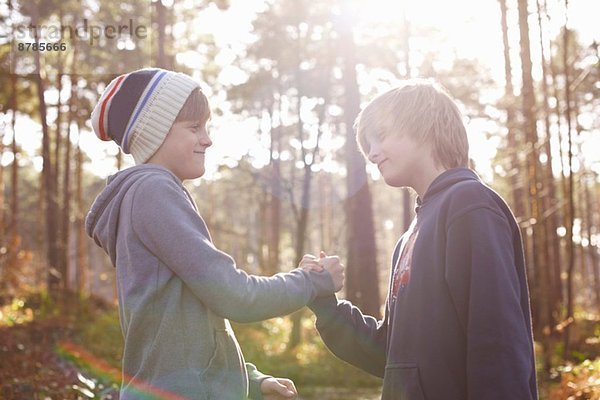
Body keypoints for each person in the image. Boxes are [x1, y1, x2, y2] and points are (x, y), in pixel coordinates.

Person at [85, 68, 344, 400]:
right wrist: (311, 282)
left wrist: (250, 380)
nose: (207, 139)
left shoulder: (148, 195)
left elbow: (186, 327)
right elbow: (233, 294)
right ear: (155, 132)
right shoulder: (154, 190)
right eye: (194, 127)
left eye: (206, 127)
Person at [304, 79, 538, 399]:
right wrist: (325, 305)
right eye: (367, 145)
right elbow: (392, 356)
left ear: (424, 128)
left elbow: (497, 345)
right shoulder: (410, 236)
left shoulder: (469, 205)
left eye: (380, 137)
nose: (372, 154)